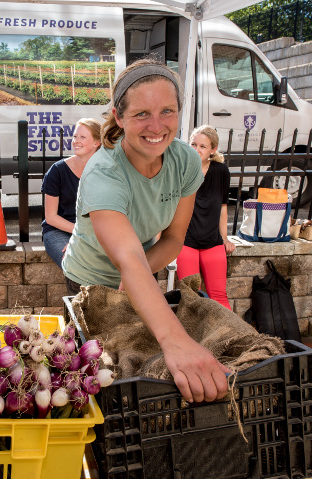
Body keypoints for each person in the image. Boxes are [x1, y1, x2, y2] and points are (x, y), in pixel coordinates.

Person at [62, 58, 231, 403]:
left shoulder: (184, 161)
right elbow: (127, 258)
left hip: (141, 270)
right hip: (88, 279)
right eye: (141, 114)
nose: (156, 126)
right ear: (119, 117)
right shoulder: (104, 174)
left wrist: (139, 273)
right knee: (94, 373)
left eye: (167, 111)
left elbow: (172, 239)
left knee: (135, 365)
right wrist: (178, 342)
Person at [176, 125, 235, 309]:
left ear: (212, 150)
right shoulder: (180, 170)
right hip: (186, 242)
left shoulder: (221, 171)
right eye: (193, 144)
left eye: (202, 146)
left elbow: (223, 207)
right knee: (192, 297)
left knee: (219, 296)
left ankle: (229, 336)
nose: (197, 150)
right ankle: (194, 337)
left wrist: (225, 238)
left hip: (213, 241)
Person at [41, 118, 102, 267]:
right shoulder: (57, 171)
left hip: (92, 232)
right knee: (73, 262)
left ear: (96, 143)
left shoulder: (104, 171)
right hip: (58, 231)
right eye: (75, 136)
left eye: (82, 137)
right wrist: (79, 236)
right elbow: (51, 217)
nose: (76, 141)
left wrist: (87, 237)